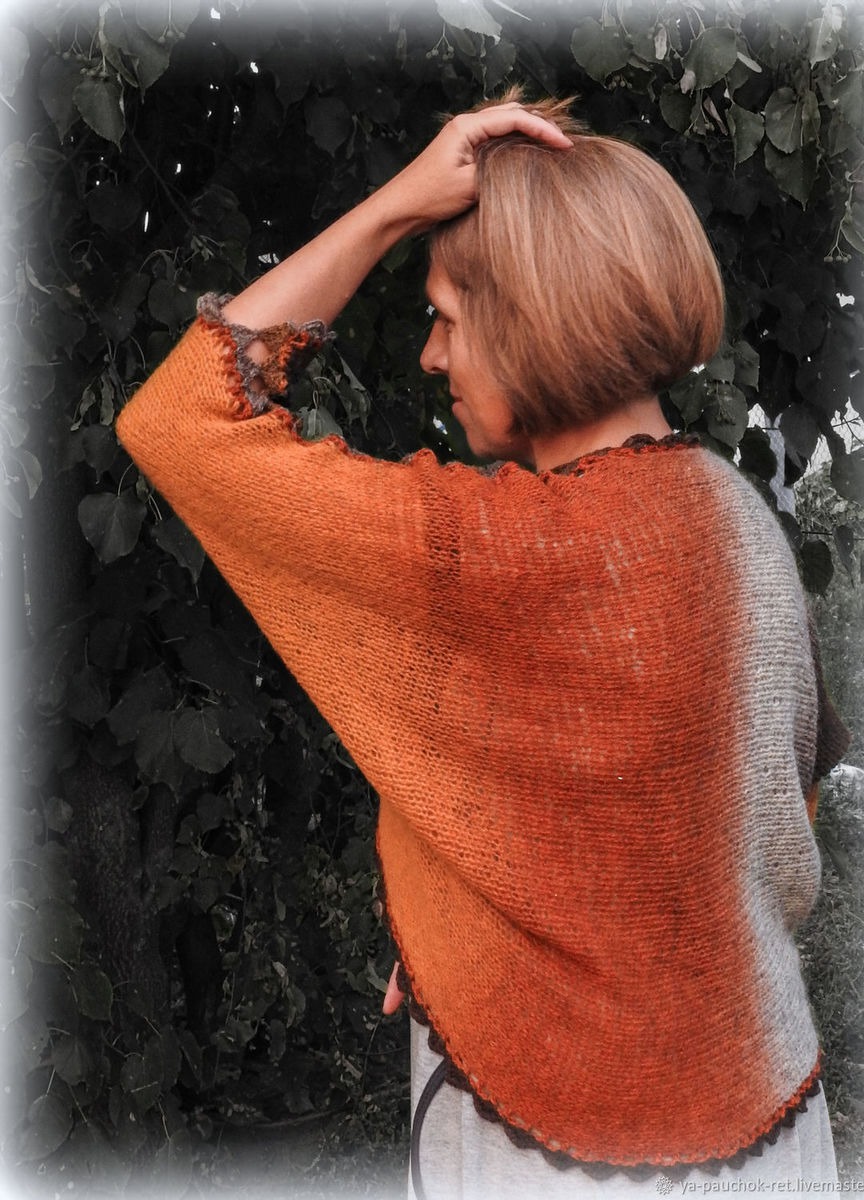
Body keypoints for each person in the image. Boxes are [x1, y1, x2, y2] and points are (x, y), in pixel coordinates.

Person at [116, 92, 848, 1198]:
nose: (428, 355)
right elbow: (764, 820)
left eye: (449, 317)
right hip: (773, 1117)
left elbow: (174, 421)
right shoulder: (739, 523)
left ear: (531, 319)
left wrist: (396, 207)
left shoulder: (486, 552)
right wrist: (469, 931)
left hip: (552, 1155)